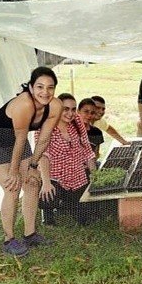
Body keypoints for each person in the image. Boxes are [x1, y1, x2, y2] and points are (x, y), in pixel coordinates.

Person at [0, 66, 63, 256]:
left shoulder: (55, 106)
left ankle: (30, 234)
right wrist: (15, 171)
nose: (45, 92)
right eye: (40, 87)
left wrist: (33, 166)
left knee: (32, 183)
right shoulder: (24, 104)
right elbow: (21, 138)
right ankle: (9, 240)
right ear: (31, 87)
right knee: (13, 187)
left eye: (50, 87)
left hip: (16, 143)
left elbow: (44, 138)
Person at [38, 94, 96, 226]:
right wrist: (46, 183)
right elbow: (43, 155)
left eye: (73, 109)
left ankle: (66, 204)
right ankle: (48, 214)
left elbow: (87, 148)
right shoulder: (45, 126)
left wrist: (94, 175)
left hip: (77, 175)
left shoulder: (77, 121)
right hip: (55, 176)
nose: (70, 113)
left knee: (85, 217)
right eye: (66, 109)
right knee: (48, 194)